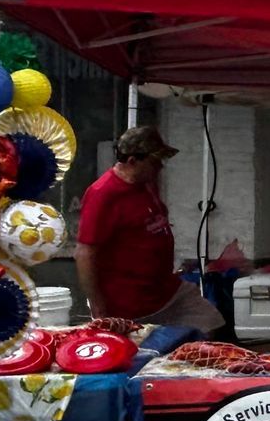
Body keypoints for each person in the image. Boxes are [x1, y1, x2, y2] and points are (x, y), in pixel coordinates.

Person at [76, 125, 223, 332]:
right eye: (154, 161)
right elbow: (84, 252)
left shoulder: (146, 184)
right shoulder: (103, 194)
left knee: (212, 324)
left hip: (166, 291)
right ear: (132, 161)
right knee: (147, 353)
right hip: (129, 302)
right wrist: (98, 306)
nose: (160, 167)